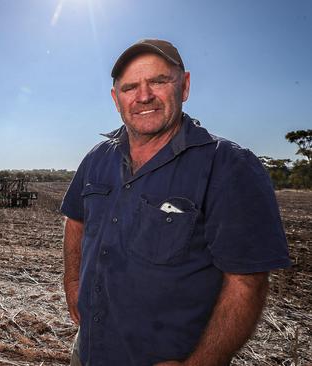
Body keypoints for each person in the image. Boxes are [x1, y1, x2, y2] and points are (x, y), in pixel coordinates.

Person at [60, 39, 291, 365]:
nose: (143, 96)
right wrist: (72, 283)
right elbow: (76, 221)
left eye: (158, 81)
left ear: (184, 86)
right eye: (130, 87)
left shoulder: (228, 165)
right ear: (116, 99)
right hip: (89, 350)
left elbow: (246, 282)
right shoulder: (97, 158)